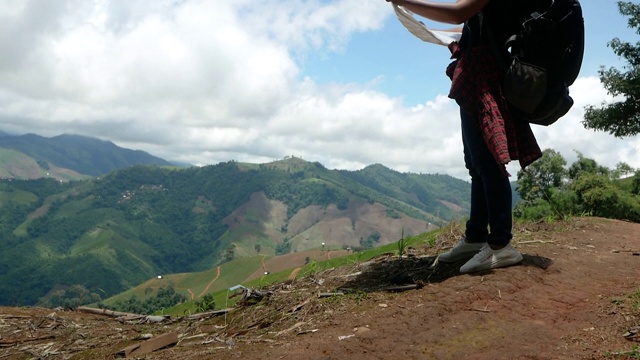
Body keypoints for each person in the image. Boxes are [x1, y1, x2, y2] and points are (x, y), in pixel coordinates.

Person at [386, 0, 543, 273]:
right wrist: (429, 28)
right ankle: (476, 236)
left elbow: (458, 12)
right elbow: (470, 21)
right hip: (478, 68)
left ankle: (501, 244)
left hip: (485, 72)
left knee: (487, 160)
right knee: (475, 162)